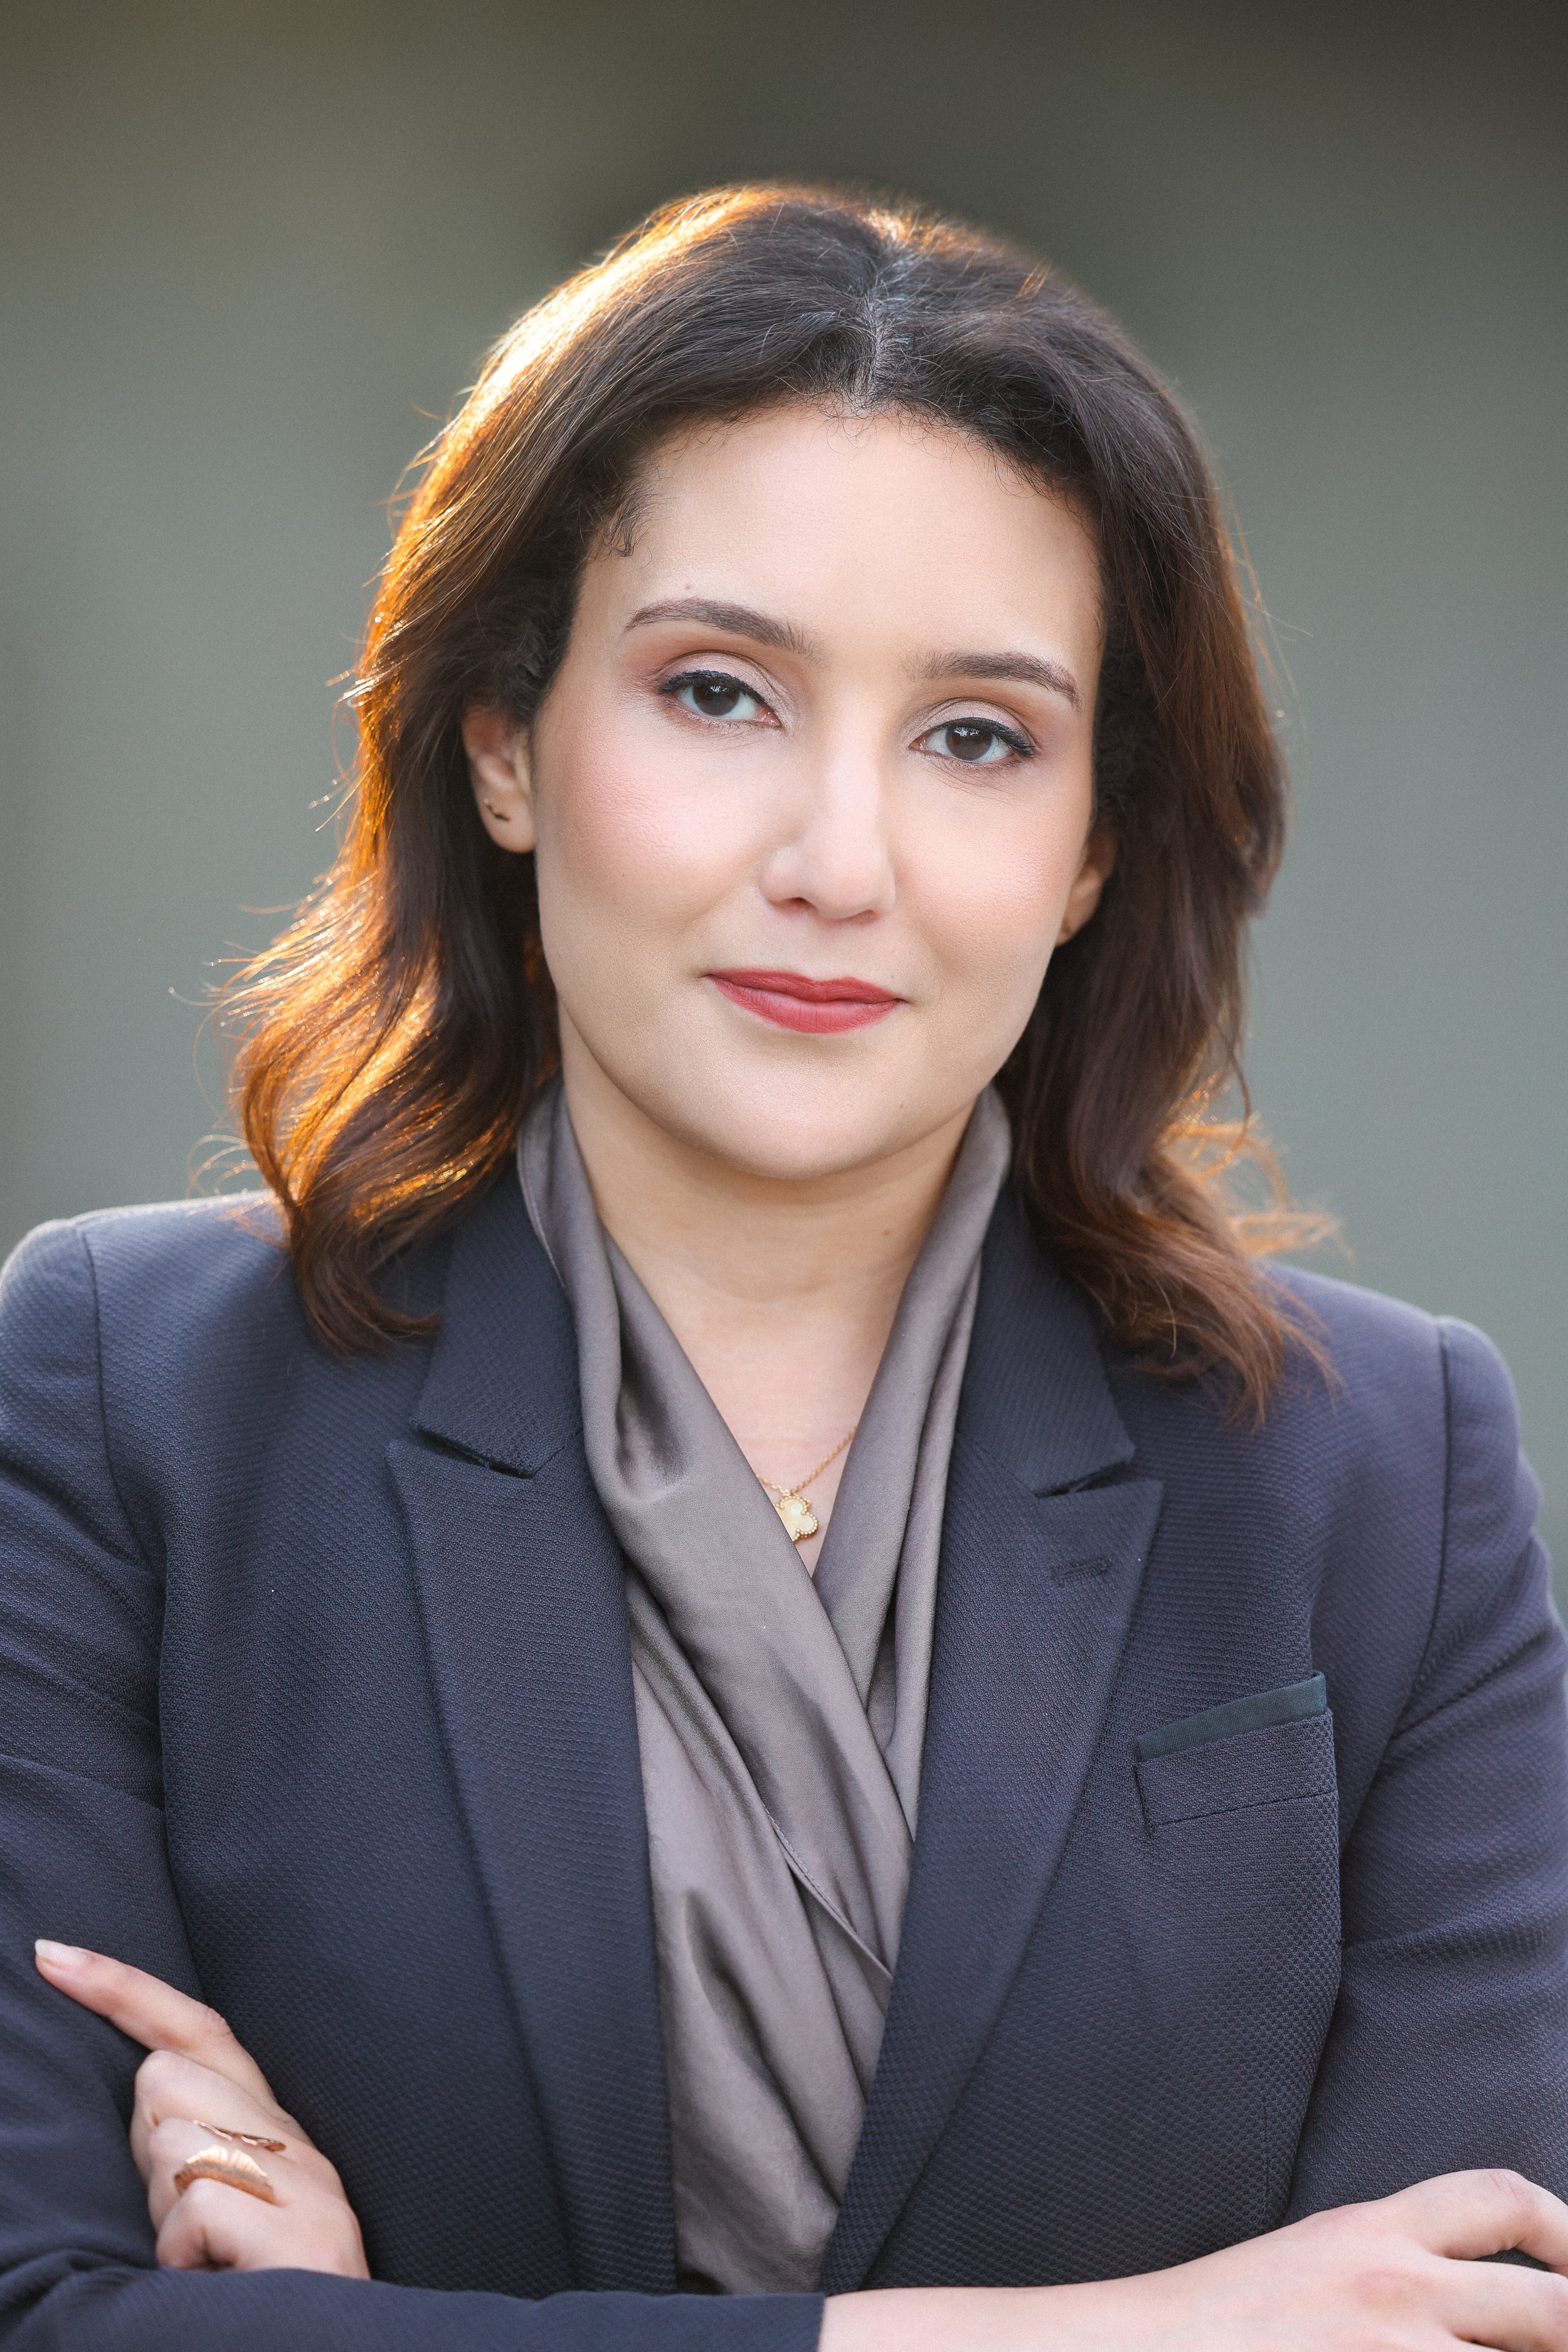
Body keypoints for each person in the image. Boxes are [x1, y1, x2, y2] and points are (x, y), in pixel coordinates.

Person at [0, 183, 1564, 2352]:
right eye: (718, 692)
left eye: (976, 736)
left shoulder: (1382, 1470)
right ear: (503, 741)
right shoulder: (125, 1402)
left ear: (1092, 846)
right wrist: (1123, 2331)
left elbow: (1468, 2319)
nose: (839, 861)